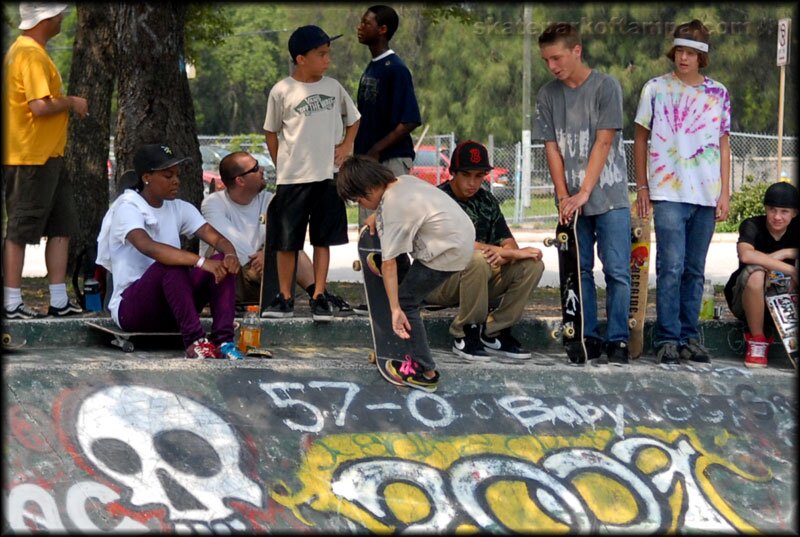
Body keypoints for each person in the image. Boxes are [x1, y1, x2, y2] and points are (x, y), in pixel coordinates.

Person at [633, 19, 731, 365]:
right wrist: (642, 185)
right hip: (668, 191)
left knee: (695, 269)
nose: (683, 58)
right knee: (671, 266)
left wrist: (725, 193)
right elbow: (641, 137)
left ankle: (690, 336)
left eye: (690, 53)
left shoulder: (718, 93)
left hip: (706, 194)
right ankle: (668, 337)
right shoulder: (655, 89)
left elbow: (723, 145)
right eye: (679, 51)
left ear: (702, 57)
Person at [533, 22, 631, 365]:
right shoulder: (547, 95)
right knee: (580, 269)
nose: (552, 66)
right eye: (546, 60)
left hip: (609, 196)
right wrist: (563, 196)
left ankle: (618, 339)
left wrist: (584, 192)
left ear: (577, 51)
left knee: (617, 270)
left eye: (557, 57)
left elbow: (604, 141)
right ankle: (586, 334)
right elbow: (552, 149)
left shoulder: (606, 86)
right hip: (572, 201)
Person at [336, 155, 475, 392]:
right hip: (459, 239)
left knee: (406, 301)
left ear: (369, 189)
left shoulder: (393, 208)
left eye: (358, 200)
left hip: (446, 253)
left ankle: (426, 372)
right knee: (400, 254)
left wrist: (394, 308)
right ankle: (404, 284)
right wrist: (376, 217)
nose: (360, 205)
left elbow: (389, 264)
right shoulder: (402, 182)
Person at [95, 144, 244, 360]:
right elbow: (149, 247)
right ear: (147, 177)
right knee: (170, 265)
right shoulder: (127, 208)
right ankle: (195, 342)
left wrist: (230, 255)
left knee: (221, 262)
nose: (176, 181)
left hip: (175, 306)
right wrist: (201, 262)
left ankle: (224, 342)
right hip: (133, 309)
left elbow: (217, 238)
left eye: (177, 175)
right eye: (167, 175)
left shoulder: (179, 207)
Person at [263, 25, 360, 322]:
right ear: (300, 58)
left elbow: (354, 119)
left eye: (328, 54)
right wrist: (284, 165)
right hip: (293, 179)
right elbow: (271, 133)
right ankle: (285, 297)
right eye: (321, 54)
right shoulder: (282, 91)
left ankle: (319, 294)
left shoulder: (333, 87)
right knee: (287, 240)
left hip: (327, 176)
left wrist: (346, 145)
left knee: (323, 238)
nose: (327, 60)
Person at [3, 3, 89, 319]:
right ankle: (11, 303)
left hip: (48, 154)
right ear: (46, 19)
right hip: (30, 156)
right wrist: (73, 102)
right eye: (59, 13)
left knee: (61, 226)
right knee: (19, 230)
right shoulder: (30, 54)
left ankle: (58, 301)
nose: (63, 18)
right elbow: (39, 106)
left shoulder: (29, 51)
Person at [425, 140, 545, 361]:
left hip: (479, 279)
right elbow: (460, 246)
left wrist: (506, 253)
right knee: (478, 259)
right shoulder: (437, 200)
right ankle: (466, 333)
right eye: (466, 175)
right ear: (452, 172)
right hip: (438, 282)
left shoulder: (487, 200)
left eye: (479, 176)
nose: (473, 182)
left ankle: (493, 332)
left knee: (532, 264)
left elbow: (509, 242)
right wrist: (507, 253)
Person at [200, 151, 353, 313]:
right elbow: (228, 241)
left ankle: (319, 295)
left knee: (293, 249)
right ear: (240, 180)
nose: (262, 169)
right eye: (255, 168)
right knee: (224, 255)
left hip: (259, 273)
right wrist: (267, 257)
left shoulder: (269, 200)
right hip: (232, 274)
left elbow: (285, 234)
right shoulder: (213, 204)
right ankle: (218, 304)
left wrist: (267, 255)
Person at [354, 4, 421, 224]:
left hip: (391, 159)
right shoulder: (371, 68)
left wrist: (376, 149)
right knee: (369, 227)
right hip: (369, 162)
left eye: (366, 23)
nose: (360, 27)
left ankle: (397, 261)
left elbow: (410, 119)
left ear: (382, 29)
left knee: (393, 223)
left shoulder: (396, 68)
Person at [724, 182, 798, 368]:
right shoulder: (752, 226)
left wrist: (786, 253)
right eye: (772, 210)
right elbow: (746, 255)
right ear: (765, 209)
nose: (777, 217)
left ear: (794, 213)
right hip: (745, 301)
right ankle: (757, 340)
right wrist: (789, 264)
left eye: (784, 212)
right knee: (756, 273)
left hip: (785, 305)